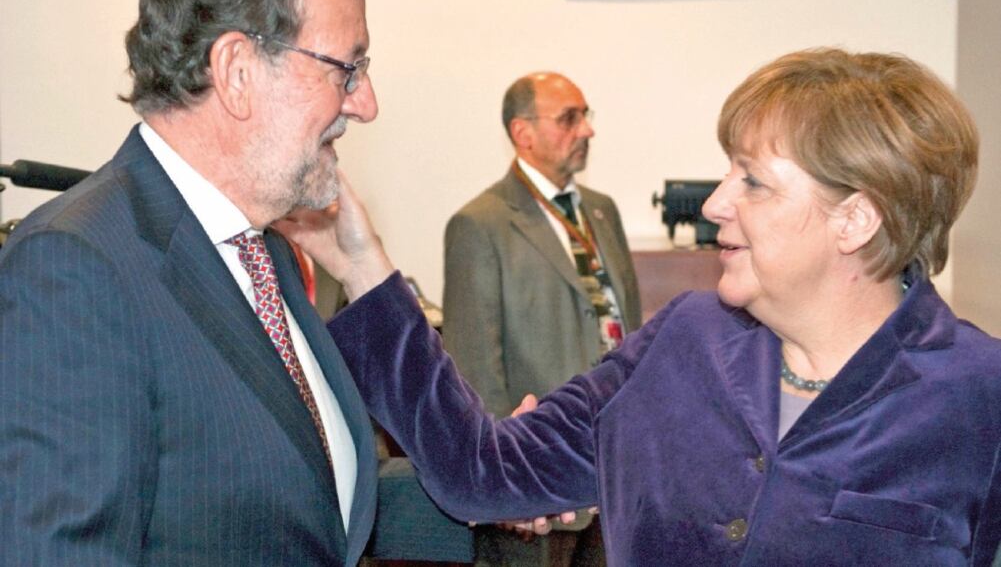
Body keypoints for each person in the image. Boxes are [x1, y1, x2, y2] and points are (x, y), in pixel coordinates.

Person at [280, 48, 1001, 565]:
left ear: (855, 220)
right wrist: (357, 261)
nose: (716, 203)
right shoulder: (682, 343)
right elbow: (482, 471)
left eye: (752, 182)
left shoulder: (978, 397)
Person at [0, 0, 384, 564]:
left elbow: (297, 504)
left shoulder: (262, 249)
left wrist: (502, 496)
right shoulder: (74, 265)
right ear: (236, 70)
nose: (365, 102)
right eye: (344, 68)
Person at [442, 72, 640, 567]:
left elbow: (626, 326)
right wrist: (505, 481)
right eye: (568, 118)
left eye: (585, 116)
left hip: (614, 473)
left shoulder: (602, 211)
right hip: (536, 487)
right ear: (522, 132)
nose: (586, 130)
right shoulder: (480, 224)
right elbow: (475, 372)